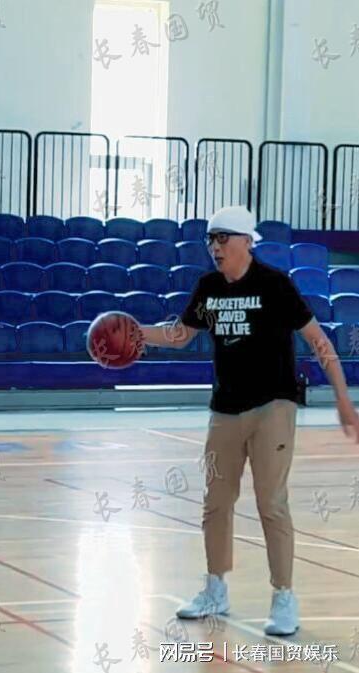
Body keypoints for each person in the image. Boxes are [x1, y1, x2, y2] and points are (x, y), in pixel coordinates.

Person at [139, 205, 359, 636]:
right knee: (215, 502)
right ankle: (215, 589)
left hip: (274, 405)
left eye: (223, 238)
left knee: (270, 502)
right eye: (210, 239)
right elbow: (180, 335)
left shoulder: (275, 285)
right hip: (225, 408)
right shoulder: (208, 287)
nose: (215, 247)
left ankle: (284, 597)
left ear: (246, 241)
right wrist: (136, 331)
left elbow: (318, 340)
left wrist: (342, 398)